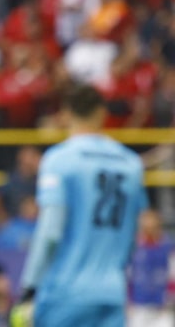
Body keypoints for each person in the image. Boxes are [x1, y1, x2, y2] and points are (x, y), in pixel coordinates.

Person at [12, 83, 148, 327]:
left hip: (65, 293)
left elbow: (50, 232)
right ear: (102, 113)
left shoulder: (59, 159)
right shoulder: (131, 164)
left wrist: (30, 286)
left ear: (65, 114)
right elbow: (133, 234)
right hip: (112, 294)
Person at [128, 209, 174, 327]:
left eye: (153, 226)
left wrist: (170, 298)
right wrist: (128, 302)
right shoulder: (134, 247)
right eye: (146, 227)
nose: (149, 230)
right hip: (138, 306)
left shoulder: (168, 246)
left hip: (162, 308)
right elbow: (128, 275)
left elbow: (172, 274)